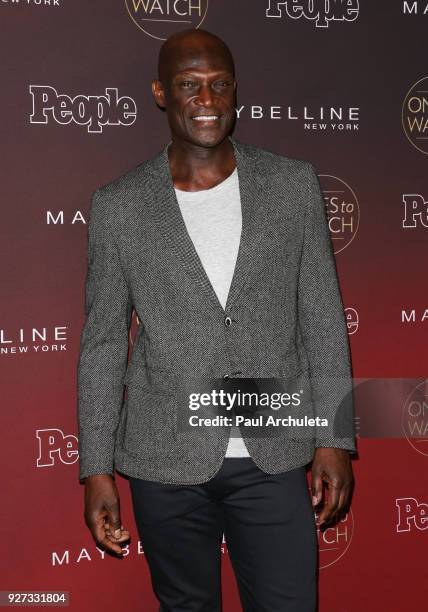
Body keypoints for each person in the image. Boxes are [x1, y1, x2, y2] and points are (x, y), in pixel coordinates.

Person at [77, 28, 356, 612]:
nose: (207, 99)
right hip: (164, 457)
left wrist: (334, 438)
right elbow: (104, 342)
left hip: (273, 452)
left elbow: (324, 320)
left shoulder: (292, 185)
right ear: (161, 93)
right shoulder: (119, 206)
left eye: (219, 84)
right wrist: (97, 468)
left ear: (236, 92)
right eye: (188, 85)